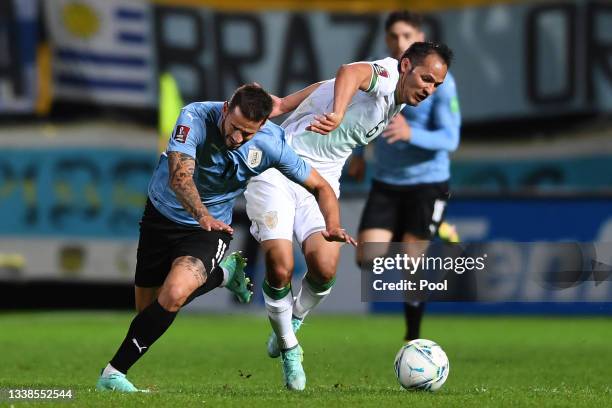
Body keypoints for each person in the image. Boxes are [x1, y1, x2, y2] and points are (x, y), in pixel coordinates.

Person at [95, 84, 354, 392]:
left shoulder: (271, 144)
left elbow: (321, 186)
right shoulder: (194, 117)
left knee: (175, 293)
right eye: (234, 128)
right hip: (163, 216)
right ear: (225, 109)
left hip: (211, 229)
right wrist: (201, 214)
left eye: (248, 134)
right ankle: (222, 275)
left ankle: (112, 374)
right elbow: (179, 177)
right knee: (148, 312)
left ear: (261, 127)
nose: (237, 138)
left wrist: (333, 223)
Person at [245, 41, 453, 390]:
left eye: (436, 85)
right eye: (426, 78)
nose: (429, 89)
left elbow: (326, 85)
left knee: (325, 269)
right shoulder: (387, 75)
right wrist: (339, 112)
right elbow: (349, 72)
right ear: (406, 66)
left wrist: (286, 102)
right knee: (280, 265)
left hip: (322, 180)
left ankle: (293, 319)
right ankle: (289, 348)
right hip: (280, 166)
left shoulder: (395, 103)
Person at [348, 11, 462, 342]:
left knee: (413, 264)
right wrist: (357, 156)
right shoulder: (379, 72)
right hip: (386, 181)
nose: (400, 43)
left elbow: (450, 139)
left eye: (407, 36)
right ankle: (429, 228)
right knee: (366, 257)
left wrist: (413, 134)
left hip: (427, 182)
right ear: (386, 40)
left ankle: (413, 337)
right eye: (393, 36)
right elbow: (363, 117)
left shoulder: (440, 81)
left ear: (419, 37)